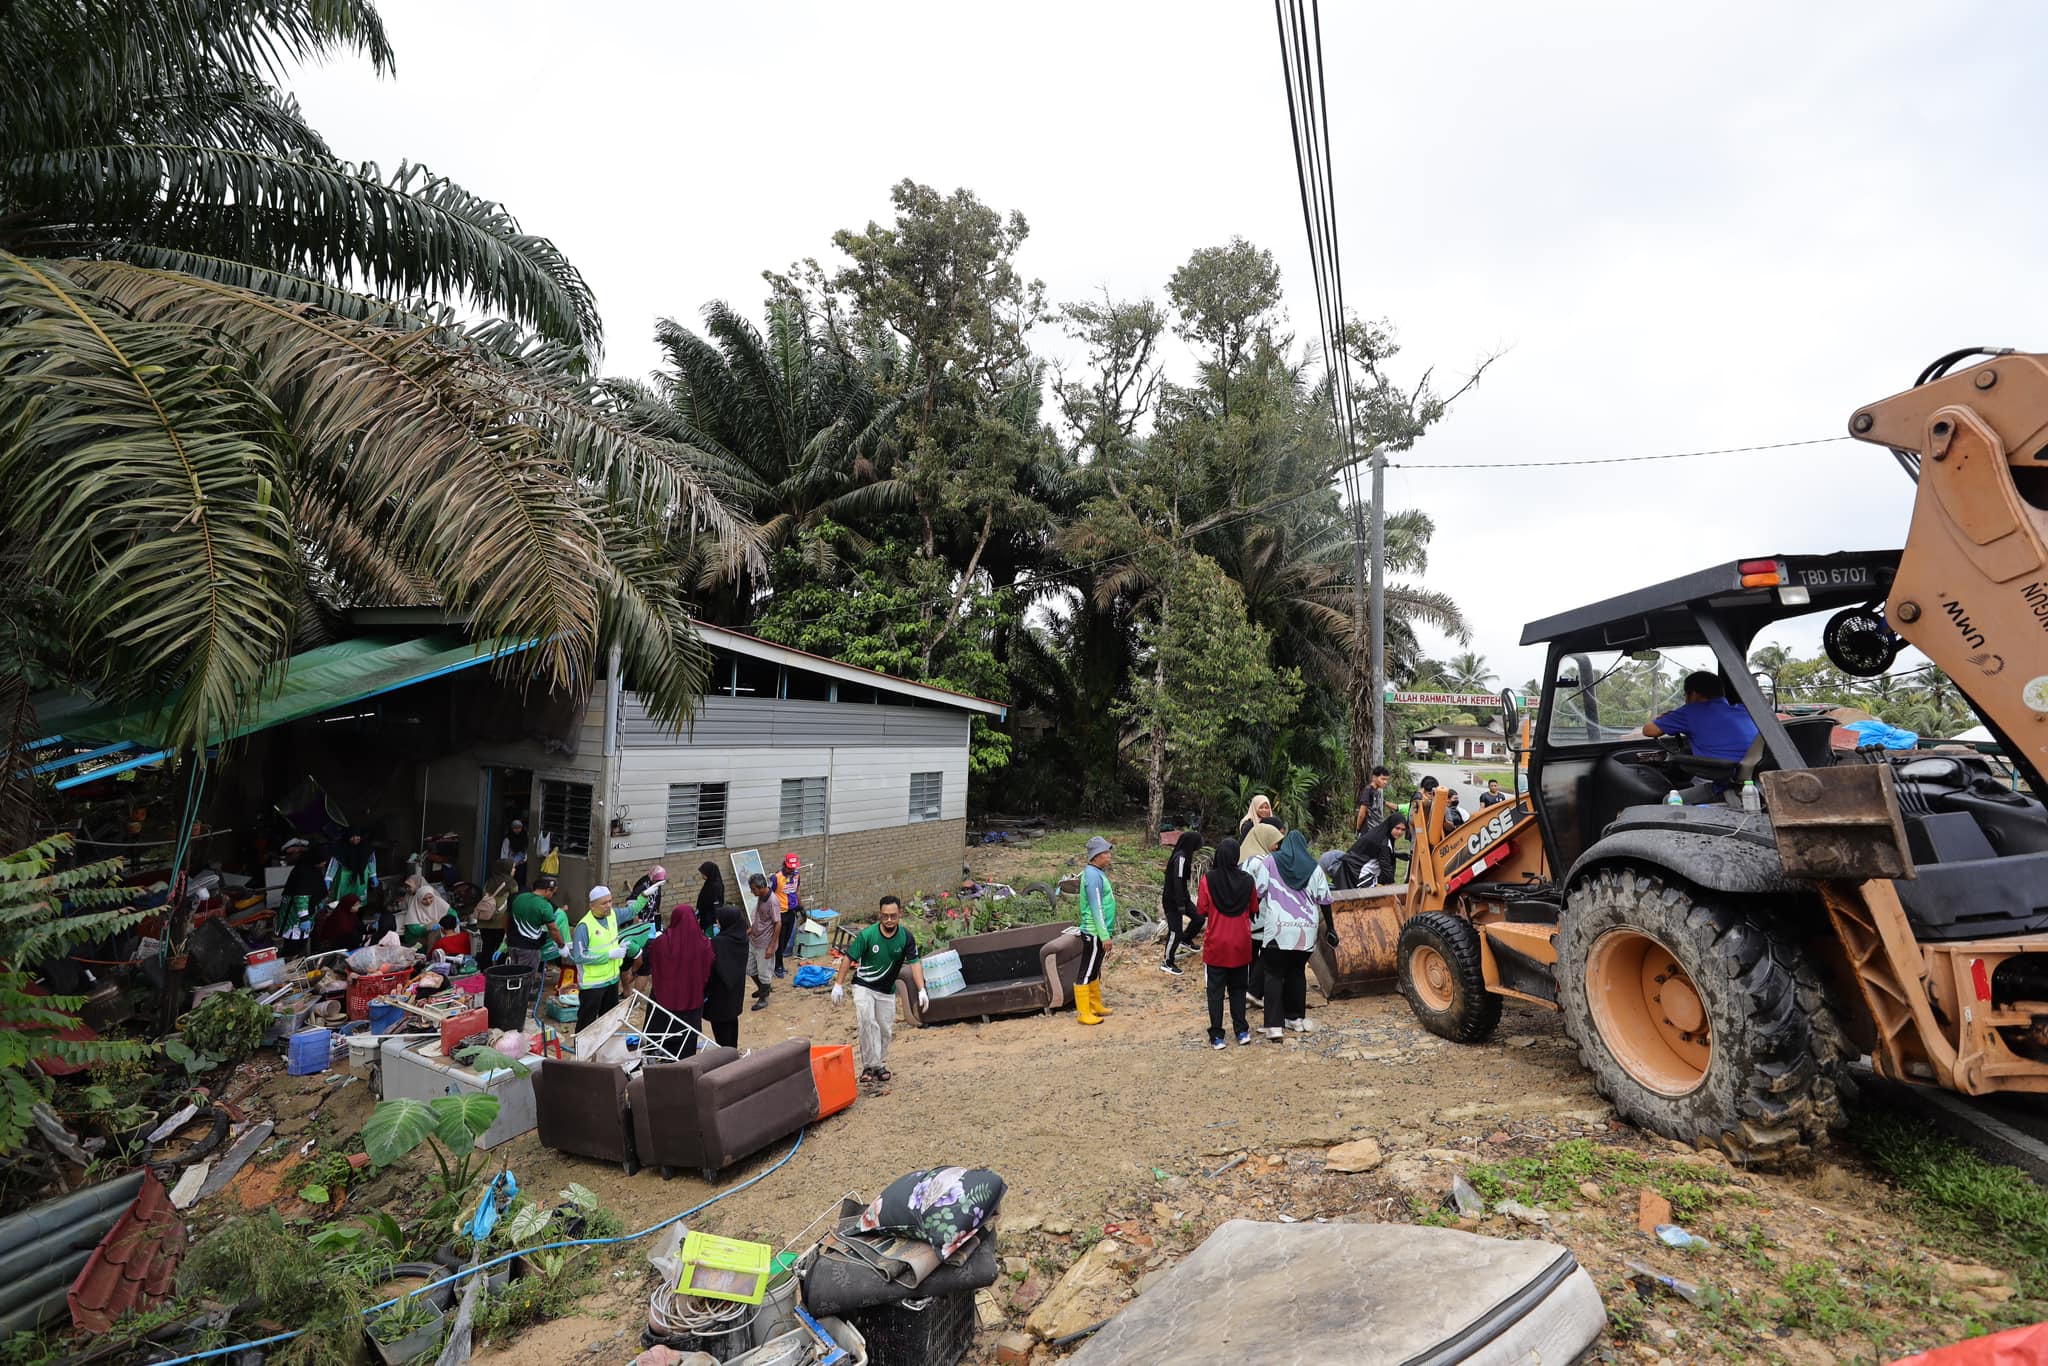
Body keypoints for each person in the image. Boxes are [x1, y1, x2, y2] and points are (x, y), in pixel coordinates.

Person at [833, 894, 928, 1087]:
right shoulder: (868, 936)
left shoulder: (905, 937)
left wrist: (921, 990)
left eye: (893, 916)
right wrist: (838, 984)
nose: (889, 920)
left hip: (886, 990)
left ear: (900, 914)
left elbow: (915, 963)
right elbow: (848, 958)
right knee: (867, 1021)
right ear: (880, 915)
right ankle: (869, 1066)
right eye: (885, 916)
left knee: (885, 1029)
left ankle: (879, 1064)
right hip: (864, 986)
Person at [1248, 829, 1332, 1040]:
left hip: (1277, 929)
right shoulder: (1315, 868)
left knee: (1274, 974)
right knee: (1296, 971)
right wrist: (1331, 928)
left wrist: (1249, 915)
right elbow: (1325, 900)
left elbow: (1257, 891)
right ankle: (1295, 1019)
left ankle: (1274, 1027)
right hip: (1305, 930)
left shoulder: (1270, 861)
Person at [1198, 838, 1259, 1048]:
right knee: (1239, 989)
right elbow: (1253, 908)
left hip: (1216, 944)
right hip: (1241, 944)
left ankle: (1217, 1035)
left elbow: (1202, 909)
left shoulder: (1208, 880)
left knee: (1215, 992)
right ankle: (1242, 1031)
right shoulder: (1248, 880)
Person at [1644, 671, 1761, 763]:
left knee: (1672, 794)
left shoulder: (1690, 712)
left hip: (1718, 780)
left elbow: (1649, 730)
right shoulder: (1746, 710)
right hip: (1755, 777)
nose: (1685, 699)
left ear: (1693, 694)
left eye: (1685, 695)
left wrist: (1662, 718)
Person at [645, 901, 714, 1057]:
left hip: (663, 1003)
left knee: (660, 1045)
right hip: (691, 1002)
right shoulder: (704, 944)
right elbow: (708, 969)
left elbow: (651, 960)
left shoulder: (662, 942)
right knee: (686, 1049)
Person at [568, 885, 629, 1031]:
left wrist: (644, 896)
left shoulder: (612, 916)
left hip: (612, 980)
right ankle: (582, 1052)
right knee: (587, 1023)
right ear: (592, 906)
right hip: (593, 985)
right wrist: (609, 955)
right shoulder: (584, 926)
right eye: (604, 903)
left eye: (610, 901)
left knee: (609, 1020)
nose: (608, 906)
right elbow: (580, 956)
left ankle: (603, 1051)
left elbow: (632, 911)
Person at [1239, 820, 1285, 1005]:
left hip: (1247, 915)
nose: (1276, 846)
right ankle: (1254, 990)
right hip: (1261, 914)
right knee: (1268, 951)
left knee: (1251, 955)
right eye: (1274, 841)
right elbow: (1264, 888)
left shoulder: (1244, 859)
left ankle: (1249, 989)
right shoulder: (1263, 862)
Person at [1075, 835, 1117, 1026]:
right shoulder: (1092, 876)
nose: (1109, 856)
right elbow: (1096, 907)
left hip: (1099, 932)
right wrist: (1104, 935)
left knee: (1094, 970)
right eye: (1106, 853)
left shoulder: (1097, 872)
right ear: (1097, 855)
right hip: (1093, 932)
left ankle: (1095, 1005)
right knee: (1086, 971)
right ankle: (1084, 1013)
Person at [704, 905, 751, 1048]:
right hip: (735, 991)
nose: (716, 924)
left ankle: (727, 1060)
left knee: (721, 1033)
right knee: (732, 1023)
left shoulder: (718, 943)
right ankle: (733, 1053)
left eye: (718, 921)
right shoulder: (741, 938)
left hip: (719, 994)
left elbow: (711, 968)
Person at [1160, 830, 1204, 976]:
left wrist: (1185, 900)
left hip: (1182, 898)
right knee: (1175, 931)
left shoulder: (1185, 855)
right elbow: (1177, 881)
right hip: (1172, 900)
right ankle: (1167, 962)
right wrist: (1180, 904)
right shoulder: (1181, 858)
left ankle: (1186, 940)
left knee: (1199, 918)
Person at [505, 875, 560, 975]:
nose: (552, 896)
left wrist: (508, 934)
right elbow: (553, 929)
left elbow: (506, 918)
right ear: (547, 890)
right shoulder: (545, 906)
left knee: (513, 976)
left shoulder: (519, 898)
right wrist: (562, 945)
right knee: (526, 978)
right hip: (530, 948)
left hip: (512, 944)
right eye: (553, 893)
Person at [276, 837, 326, 946]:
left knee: (302, 942)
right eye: (322, 861)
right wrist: (304, 918)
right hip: (295, 917)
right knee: (293, 944)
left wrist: (319, 901)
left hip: (308, 914)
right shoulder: (303, 872)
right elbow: (300, 897)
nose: (324, 864)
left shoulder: (314, 870)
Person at [1343, 815, 1410, 889]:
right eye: (1397, 828)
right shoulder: (1383, 842)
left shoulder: (1383, 834)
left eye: (1403, 829)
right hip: (1357, 871)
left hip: (1355, 866)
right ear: (1391, 825)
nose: (1399, 832)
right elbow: (1386, 868)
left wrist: (1397, 855)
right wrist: (1392, 887)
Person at [745, 873, 777, 1009]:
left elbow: (778, 924)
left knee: (764, 973)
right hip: (754, 940)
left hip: (765, 943)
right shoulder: (761, 897)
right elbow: (760, 919)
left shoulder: (772, 901)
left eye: (753, 890)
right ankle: (763, 989)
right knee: (750, 968)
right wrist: (750, 931)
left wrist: (772, 946)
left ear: (761, 887)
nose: (752, 893)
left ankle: (763, 998)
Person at [771, 854, 803, 978]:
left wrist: (801, 906)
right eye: (790, 868)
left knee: (786, 941)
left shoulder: (797, 875)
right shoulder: (776, 878)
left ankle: (779, 964)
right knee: (779, 941)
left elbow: (797, 890)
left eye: (793, 868)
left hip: (791, 912)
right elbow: (769, 896)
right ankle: (777, 966)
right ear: (784, 865)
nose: (792, 870)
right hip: (779, 914)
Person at [326, 829, 377, 905]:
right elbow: (334, 863)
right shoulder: (340, 848)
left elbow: (371, 861)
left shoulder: (366, 847)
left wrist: (373, 875)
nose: (355, 839)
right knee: (344, 900)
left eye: (357, 836)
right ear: (347, 837)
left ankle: (358, 913)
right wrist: (329, 878)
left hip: (361, 877)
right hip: (345, 877)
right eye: (352, 837)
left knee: (358, 900)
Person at [1353, 766, 1392, 832]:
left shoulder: (1378, 792)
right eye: (1383, 779)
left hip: (1377, 830)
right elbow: (1362, 813)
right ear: (1374, 778)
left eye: (1387, 779)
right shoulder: (1368, 791)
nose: (1385, 782)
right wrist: (1358, 828)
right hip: (1368, 830)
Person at [695, 861, 725, 935]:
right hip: (705, 913)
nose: (702, 875)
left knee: (709, 934)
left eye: (703, 873)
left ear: (710, 873)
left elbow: (717, 904)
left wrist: (717, 920)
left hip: (711, 917)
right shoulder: (709, 882)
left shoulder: (716, 886)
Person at [499, 819, 530, 890]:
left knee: (520, 883)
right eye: (515, 828)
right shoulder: (508, 839)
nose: (517, 829)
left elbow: (527, 850)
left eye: (519, 827)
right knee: (510, 883)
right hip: (510, 866)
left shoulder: (525, 838)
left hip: (521, 865)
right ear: (511, 828)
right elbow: (504, 854)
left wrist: (525, 859)